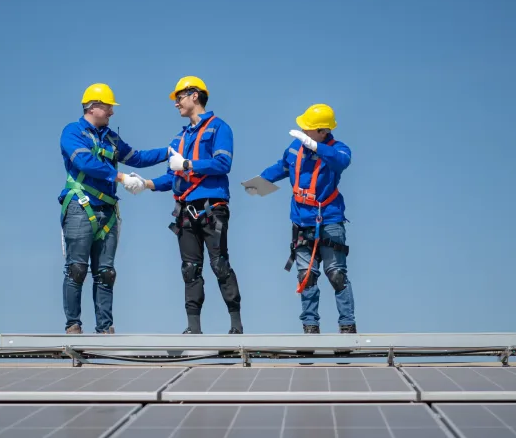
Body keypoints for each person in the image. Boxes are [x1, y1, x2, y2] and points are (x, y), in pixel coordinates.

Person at [59, 83, 166, 334]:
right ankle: (73, 327)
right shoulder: (72, 132)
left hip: (107, 211)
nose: (112, 112)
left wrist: (170, 151)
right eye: (108, 107)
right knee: (76, 269)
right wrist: (120, 177)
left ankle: (105, 330)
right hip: (81, 206)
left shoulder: (110, 138)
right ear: (93, 107)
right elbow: (85, 162)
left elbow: (137, 157)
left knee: (106, 273)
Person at [139, 76, 243, 334]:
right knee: (190, 269)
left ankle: (236, 326)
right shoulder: (179, 138)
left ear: (194, 95)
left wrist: (188, 164)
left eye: (179, 98)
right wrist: (146, 184)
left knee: (219, 263)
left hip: (212, 208)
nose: (176, 103)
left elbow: (223, 163)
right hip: (185, 211)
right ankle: (193, 328)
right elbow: (171, 177)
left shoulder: (219, 128)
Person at [252, 103, 356, 334]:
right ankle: (310, 327)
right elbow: (282, 167)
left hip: (329, 220)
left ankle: (347, 327)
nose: (302, 131)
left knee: (337, 275)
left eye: (307, 128)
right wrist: (259, 182)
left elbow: (341, 162)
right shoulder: (295, 148)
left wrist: (316, 147)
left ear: (323, 131)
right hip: (301, 221)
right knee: (306, 277)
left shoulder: (339, 149)